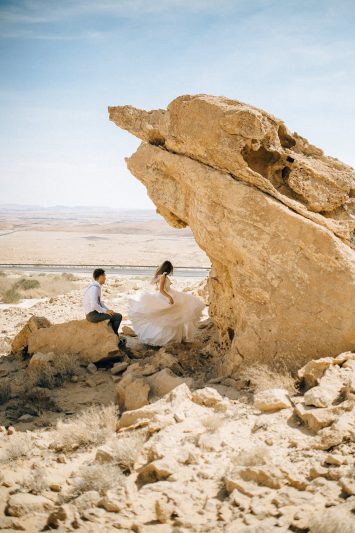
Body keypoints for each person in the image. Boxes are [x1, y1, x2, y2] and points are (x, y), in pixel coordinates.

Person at [128, 260, 205, 346]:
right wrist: (169, 297)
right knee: (170, 316)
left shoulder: (163, 276)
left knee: (175, 314)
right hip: (166, 296)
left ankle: (172, 338)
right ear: (168, 269)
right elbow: (161, 290)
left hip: (170, 293)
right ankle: (165, 339)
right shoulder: (163, 276)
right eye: (171, 269)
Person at [83, 268, 122, 336]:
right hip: (92, 315)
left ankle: (112, 334)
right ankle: (115, 336)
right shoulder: (94, 288)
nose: (105, 278)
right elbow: (94, 305)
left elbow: (100, 302)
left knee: (113, 314)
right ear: (100, 277)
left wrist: (108, 310)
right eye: (104, 276)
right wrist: (105, 311)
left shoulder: (96, 287)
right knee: (118, 317)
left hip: (93, 313)